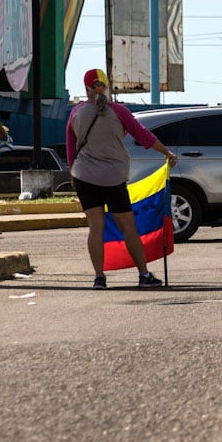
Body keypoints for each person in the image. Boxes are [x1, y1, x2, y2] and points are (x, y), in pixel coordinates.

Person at [65, 68, 178, 289]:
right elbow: (144, 136)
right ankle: (144, 275)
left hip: (84, 177)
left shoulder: (76, 113)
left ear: (87, 88)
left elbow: (71, 147)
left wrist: (72, 172)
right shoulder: (119, 111)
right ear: (106, 87)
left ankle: (99, 277)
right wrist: (166, 153)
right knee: (128, 227)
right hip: (113, 178)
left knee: (95, 227)